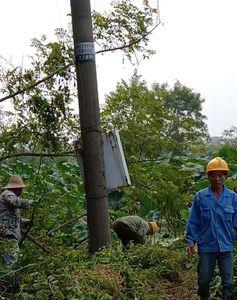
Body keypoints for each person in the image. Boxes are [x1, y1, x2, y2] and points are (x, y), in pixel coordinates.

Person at [186, 157, 237, 300]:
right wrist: (191, 241)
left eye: (220, 175)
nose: (217, 179)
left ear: (225, 176)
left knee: (228, 282)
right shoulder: (201, 197)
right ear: (208, 177)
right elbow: (193, 221)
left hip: (226, 247)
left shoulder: (232, 198)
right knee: (203, 281)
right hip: (206, 246)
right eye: (213, 175)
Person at [0, 175, 33, 269]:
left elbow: (14, 220)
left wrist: (26, 222)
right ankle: (11, 282)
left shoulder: (10, 196)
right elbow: (16, 202)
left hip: (10, 235)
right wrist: (32, 203)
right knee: (13, 264)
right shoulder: (7, 194)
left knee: (10, 262)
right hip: (7, 235)